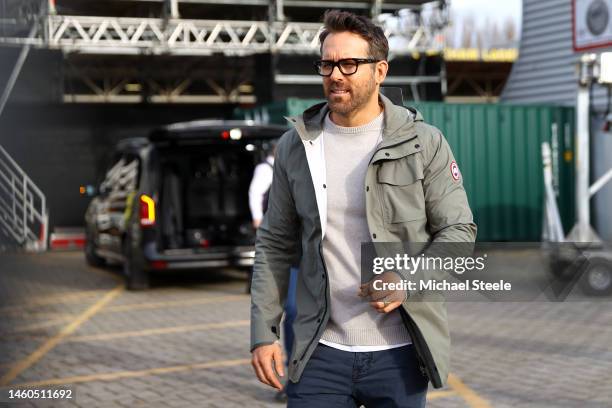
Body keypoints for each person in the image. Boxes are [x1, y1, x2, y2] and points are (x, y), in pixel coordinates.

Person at [250, 10, 476, 407]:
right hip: (319, 352)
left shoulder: (425, 143)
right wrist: (263, 334)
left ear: (380, 71)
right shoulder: (296, 146)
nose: (335, 75)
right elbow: (273, 243)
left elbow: (459, 232)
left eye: (350, 63)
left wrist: (406, 279)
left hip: (401, 353)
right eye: (327, 63)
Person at [248, 142, 297, 402]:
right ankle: (293, 379)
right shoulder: (268, 169)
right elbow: (255, 193)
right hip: (291, 251)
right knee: (294, 313)